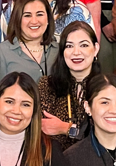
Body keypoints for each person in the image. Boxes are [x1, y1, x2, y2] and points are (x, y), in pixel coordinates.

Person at [37, 21, 102, 150]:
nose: (76, 52)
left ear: (96, 49)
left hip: (94, 164)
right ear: (62, 51)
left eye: (83, 45)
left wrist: (66, 129)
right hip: (54, 162)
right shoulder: (47, 86)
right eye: (69, 46)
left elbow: (106, 138)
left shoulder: (105, 88)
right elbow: (39, 131)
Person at [0, 0, 59, 97]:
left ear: (48, 19)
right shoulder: (1, 53)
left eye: (40, 14)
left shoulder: (59, 51)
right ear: (18, 19)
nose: (34, 21)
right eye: (27, 15)